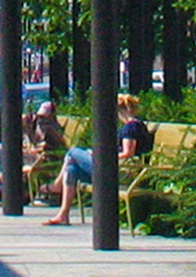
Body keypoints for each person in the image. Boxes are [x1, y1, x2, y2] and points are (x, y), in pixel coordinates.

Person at [42, 94, 154, 225]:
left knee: (73, 152)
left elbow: (127, 153)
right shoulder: (138, 125)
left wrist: (101, 155)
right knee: (72, 170)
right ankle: (63, 215)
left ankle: (56, 185)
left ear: (120, 111)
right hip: (118, 170)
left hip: (120, 172)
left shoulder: (130, 128)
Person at [0, 101, 67, 196]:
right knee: (1, 149)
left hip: (42, 159)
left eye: (44, 117)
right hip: (34, 156)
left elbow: (47, 149)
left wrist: (32, 150)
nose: (41, 120)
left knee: (6, 154)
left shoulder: (51, 130)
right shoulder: (38, 126)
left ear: (51, 115)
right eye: (40, 117)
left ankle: (0, 179)